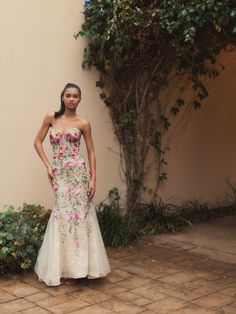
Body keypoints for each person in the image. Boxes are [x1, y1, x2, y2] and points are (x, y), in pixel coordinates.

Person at [33, 83, 111, 286]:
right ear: (62, 97)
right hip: (60, 175)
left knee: (80, 217)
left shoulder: (83, 123)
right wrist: (48, 166)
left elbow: (92, 152)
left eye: (75, 96)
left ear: (79, 99)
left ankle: (82, 268)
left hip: (78, 175)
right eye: (68, 95)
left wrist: (93, 178)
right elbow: (37, 142)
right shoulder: (51, 117)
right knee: (63, 216)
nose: (71, 99)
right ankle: (65, 268)